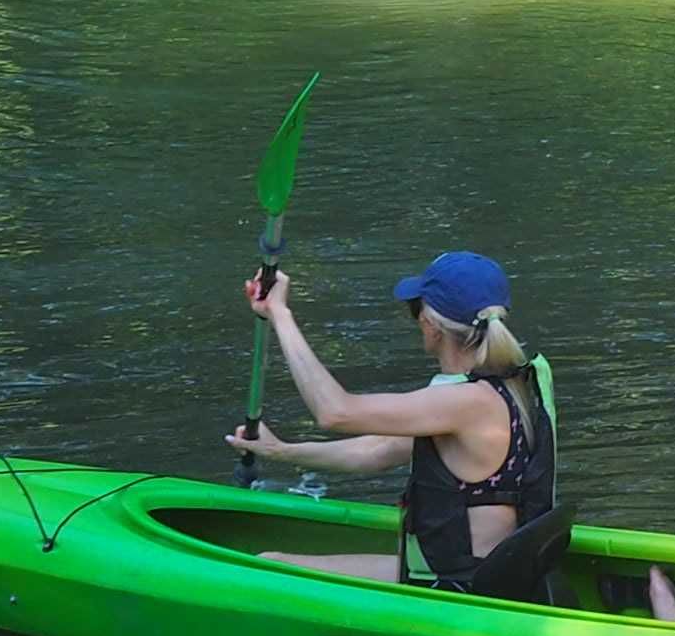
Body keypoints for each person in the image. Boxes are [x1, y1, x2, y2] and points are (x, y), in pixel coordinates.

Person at [231, 247, 566, 593]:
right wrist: (282, 451)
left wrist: (280, 314)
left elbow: (334, 412)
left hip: (461, 591)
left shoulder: (466, 402)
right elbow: (380, 450)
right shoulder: (518, 383)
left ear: (430, 325)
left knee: (271, 566)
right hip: (498, 576)